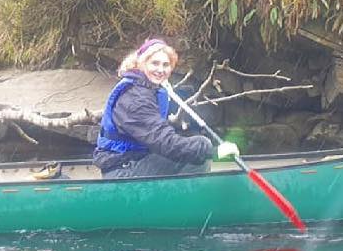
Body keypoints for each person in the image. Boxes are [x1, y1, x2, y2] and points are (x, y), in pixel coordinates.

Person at [92, 38, 238, 179]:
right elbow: (164, 141)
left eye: (166, 65)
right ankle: (187, 201)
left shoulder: (149, 88)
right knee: (200, 148)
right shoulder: (135, 98)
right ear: (141, 63)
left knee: (196, 148)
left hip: (136, 159)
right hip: (122, 171)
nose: (160, 70)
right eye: (154, 63)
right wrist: (213, 151)